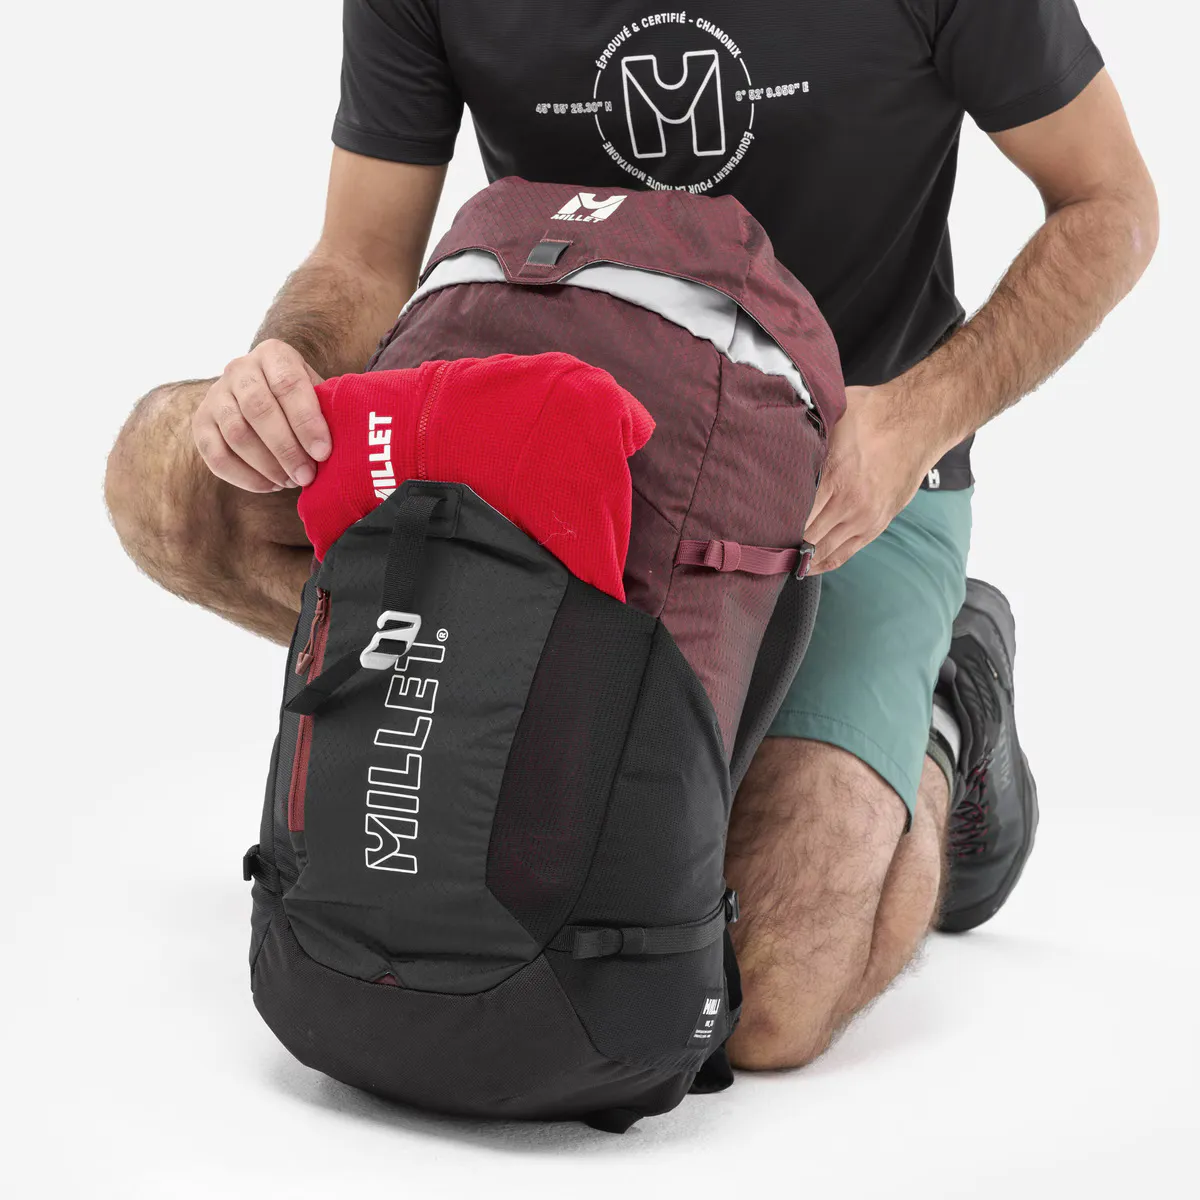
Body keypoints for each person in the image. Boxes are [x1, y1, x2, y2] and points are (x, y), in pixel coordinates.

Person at [105, 2, 1157, 1071]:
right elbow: (365, 258)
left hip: (842, 488)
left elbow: (1112, 202)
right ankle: (597, 726)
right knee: (167, 476)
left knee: (762, 997)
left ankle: (944, 706)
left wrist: (918, 417)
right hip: (543, 453)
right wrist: (285, 368)